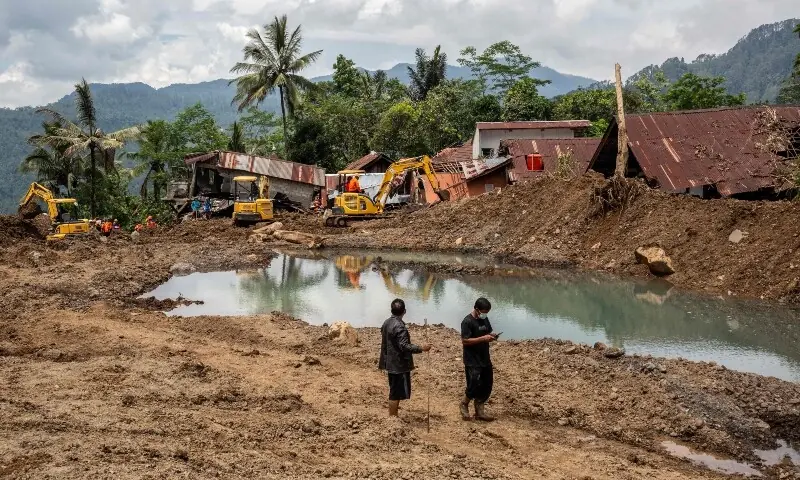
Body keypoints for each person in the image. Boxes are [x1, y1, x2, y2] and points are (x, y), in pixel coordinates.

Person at [378, 298, 431, 417]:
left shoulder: (387, 322)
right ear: (404, 311)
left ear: (391, 310)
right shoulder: (400, 327)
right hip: (398, 365)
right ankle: (393, 417)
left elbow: (385, 335)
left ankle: (394, 416)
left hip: (389, 362)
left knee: (394, 390)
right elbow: (404, 346)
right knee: (395, 393)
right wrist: (421, 348)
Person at [459, 297, 498, 421]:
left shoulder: (485, 319)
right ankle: (464, 404)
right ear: (476, 309)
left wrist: (492, 336)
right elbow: (465, 340)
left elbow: (488, 332)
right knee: (473, 383)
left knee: (487, 384)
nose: (485, 314)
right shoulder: (467, 321)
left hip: (484, 357)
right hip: (472, 360)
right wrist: (483, 339)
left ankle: (479, 409)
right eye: (483, 312)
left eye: (487, 312)